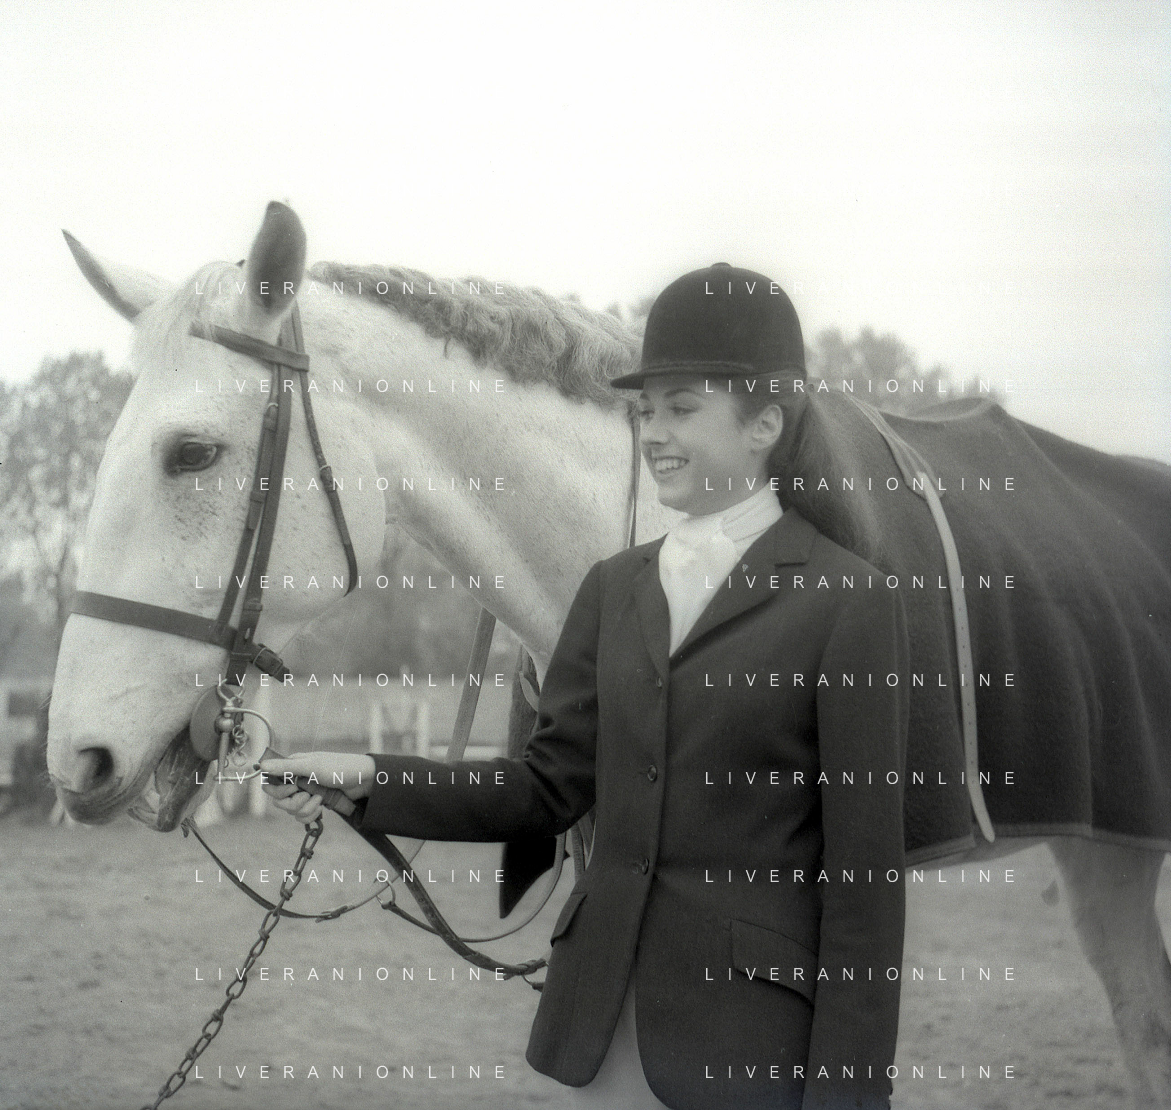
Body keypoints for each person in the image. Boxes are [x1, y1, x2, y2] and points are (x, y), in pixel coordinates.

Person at [260, 264, 909, 1109]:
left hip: (752, 1048)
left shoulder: (850, 603)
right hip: (600, 1036)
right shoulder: (612, 589)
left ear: (764, 423)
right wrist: (368, 778)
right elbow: (544, 788)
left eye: (681, 408)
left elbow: (864, 887)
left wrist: (848, 1099)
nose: (653, 433)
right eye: (646, 411)